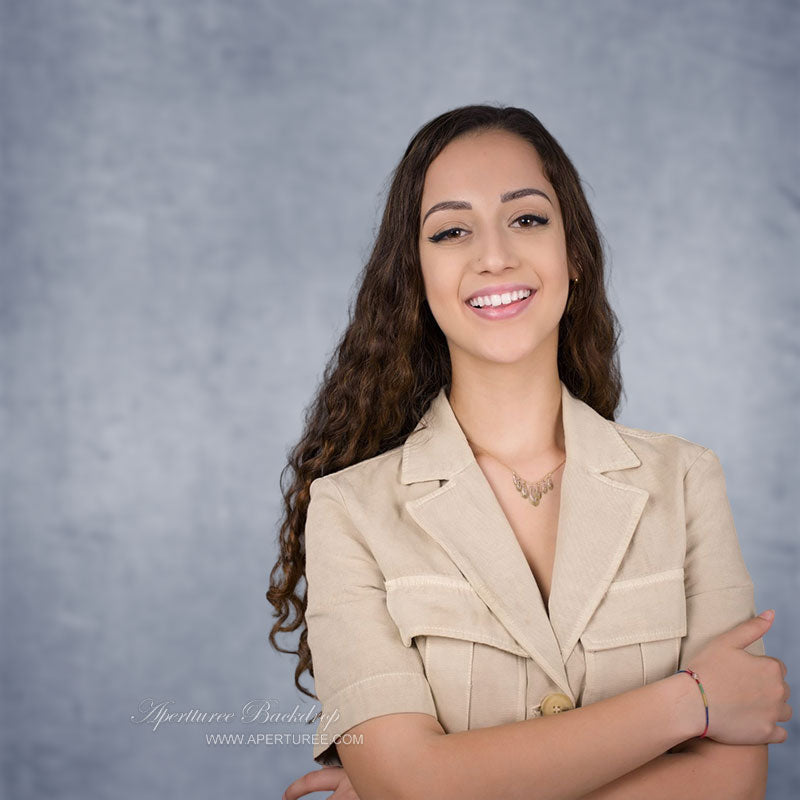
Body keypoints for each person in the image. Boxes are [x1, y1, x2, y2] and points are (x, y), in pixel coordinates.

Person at [267, 104, 791, 800]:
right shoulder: (348, 512)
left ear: (572, 251)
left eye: (527, 218)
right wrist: (690, 702)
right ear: (415, 276)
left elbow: (733, 783)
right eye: (452, 230)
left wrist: (439, 784)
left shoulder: (687, 481)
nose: (494, 255)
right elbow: (410, 785)